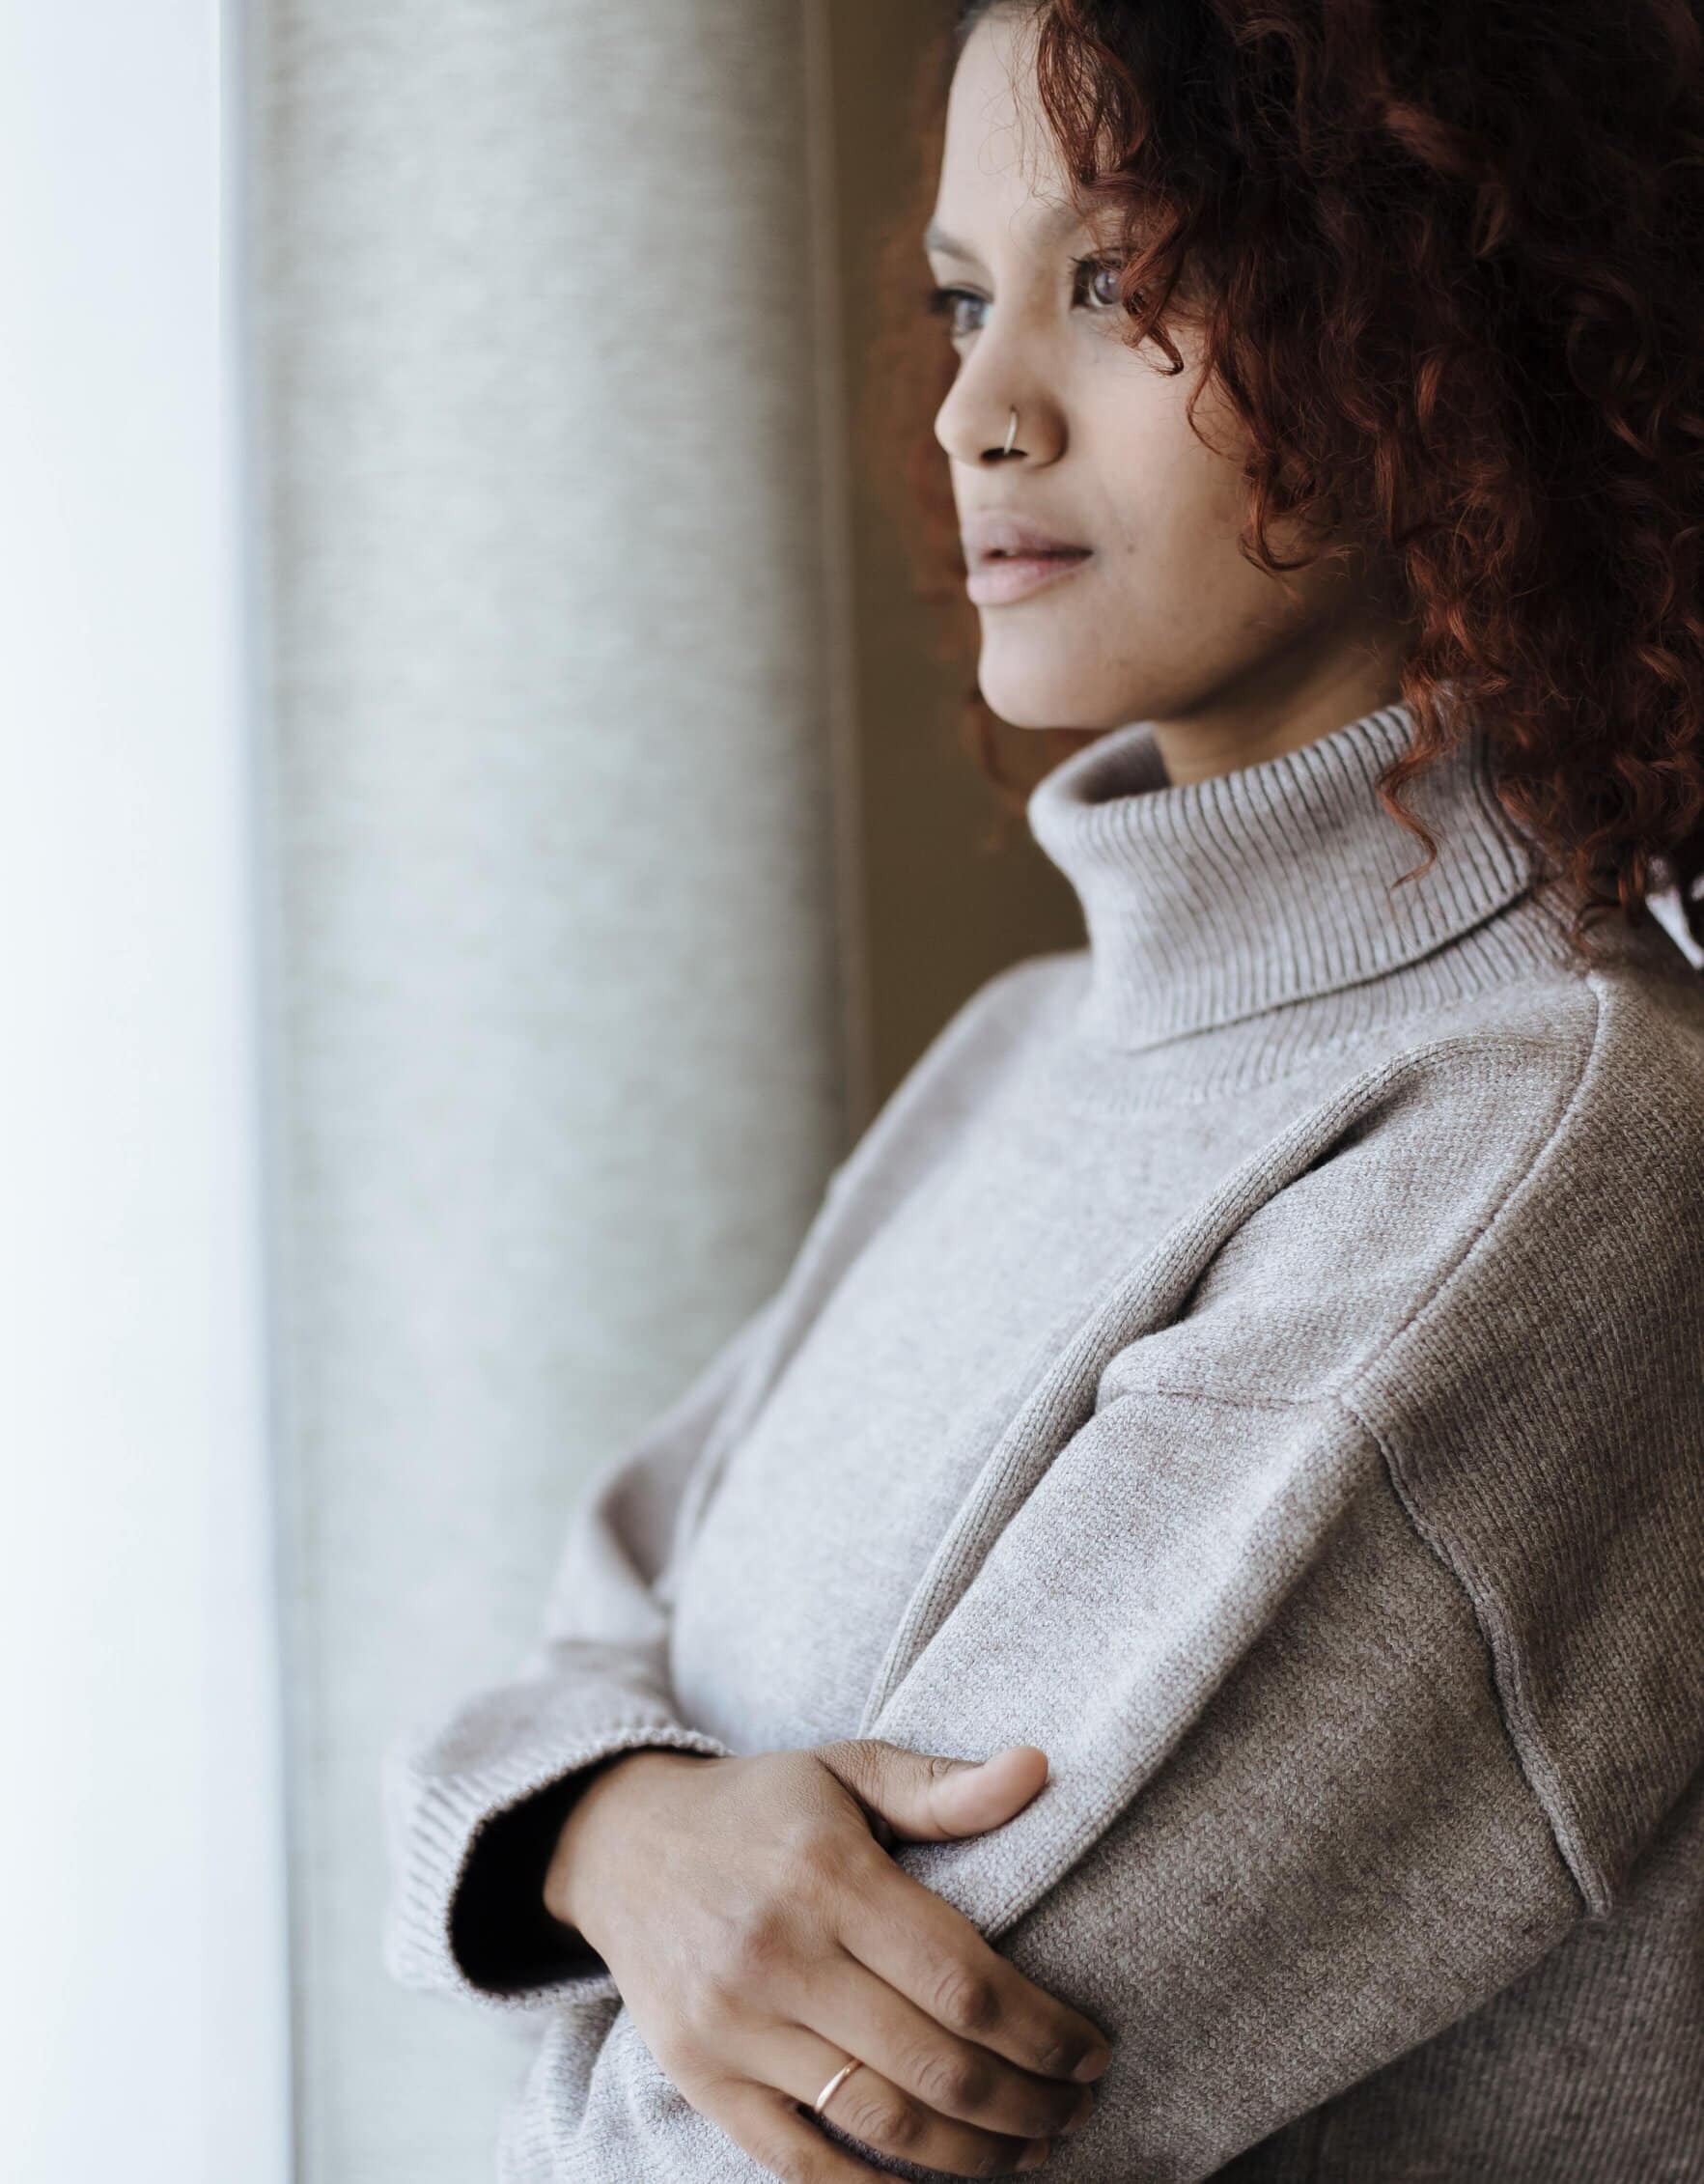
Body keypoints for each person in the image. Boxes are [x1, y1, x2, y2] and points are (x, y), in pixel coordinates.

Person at [381, 3, 1704, 2177]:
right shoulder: (1017, 1054)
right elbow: (584, 1628)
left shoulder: (1538, 1160)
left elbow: (814, 2144)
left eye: (1120, 283)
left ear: (1435, 324)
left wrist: (637, 1925)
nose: (979, 410)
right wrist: (625, 1829)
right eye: (961, 298)